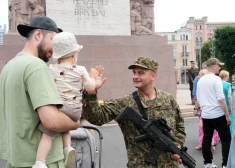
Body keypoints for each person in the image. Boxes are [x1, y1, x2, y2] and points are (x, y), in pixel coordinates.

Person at [0, 16, 80, 168]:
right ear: (38, 35)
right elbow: (51, 120)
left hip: (16, 159)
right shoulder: (36, 66)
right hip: (42, 161)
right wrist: (75, 122)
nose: (55, 49)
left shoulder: (9, 67)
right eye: (53, 40)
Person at [83, 57, 186, 167]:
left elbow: (179, 127)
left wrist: (176, 147)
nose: (136, 77)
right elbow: (96, 117)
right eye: (134, 73)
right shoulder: (124, 102)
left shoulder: (168, 99)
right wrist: (91, 92)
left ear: (153, 76)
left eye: (141, 73)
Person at [34, 32, 97, 168]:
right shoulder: (81, 70)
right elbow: (91, 88)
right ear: (74, 54)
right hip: (75, 111)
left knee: (48, 135)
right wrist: (94, 79)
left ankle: (40, 162)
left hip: (60, 107)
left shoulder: (51, 69)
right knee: (65, 126)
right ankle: (67, 147)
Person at [194, 58, 231, 168]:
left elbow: (199, 98)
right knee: (225, 139)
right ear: (214, 66)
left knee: (207, 138)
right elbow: (220, 99)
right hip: (218, 114)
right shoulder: (216, 79)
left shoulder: (200, 80)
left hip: (206, 115)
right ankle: (225, 164)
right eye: (219, 65)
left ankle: (208, 163)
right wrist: (227, 116)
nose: (220, 67)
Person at [194, 69, 219, 151]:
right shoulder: (210, 84)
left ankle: (209, 145)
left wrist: (195, 108)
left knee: (204, 128)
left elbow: (199, 99)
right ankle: (207, 143)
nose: (198, 76)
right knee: (208, 128)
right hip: (212, 110)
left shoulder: (201, 85)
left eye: (200, 75)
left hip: (205, 111)